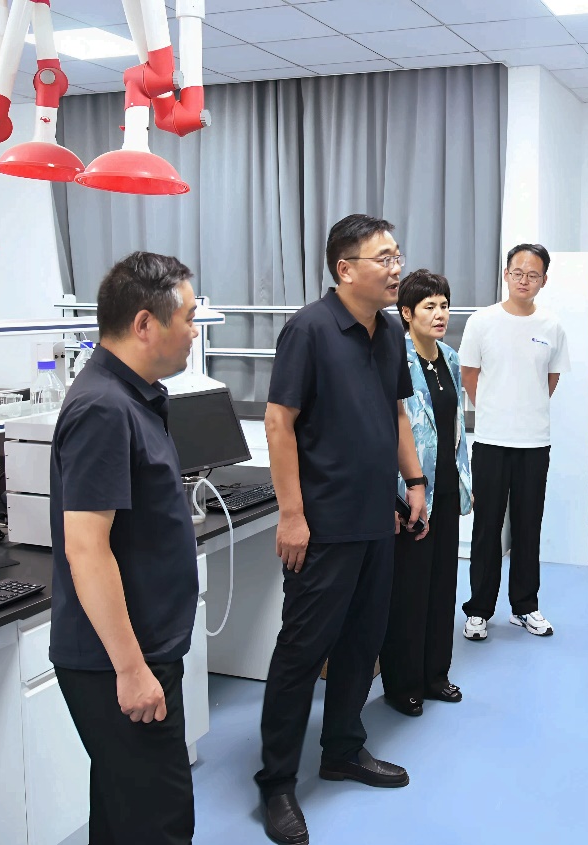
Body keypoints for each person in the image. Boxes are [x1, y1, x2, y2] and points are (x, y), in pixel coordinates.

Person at [255, 214, 428, 845]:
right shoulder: (309, 329)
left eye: (397, 255)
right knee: (302, 653)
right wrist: (292, 515)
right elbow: (279, 423)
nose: (395, 267)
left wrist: (414, 482)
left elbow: (396, 412)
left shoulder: (389, 330)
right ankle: (277, 782)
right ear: (345, 269)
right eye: (383, 258)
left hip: (376, 518)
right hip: (323, 526)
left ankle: (343, 749)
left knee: (362, 642)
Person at [49, 251, 201, 844]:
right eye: (188, 318)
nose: (195, 331)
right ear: (144, 324)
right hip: (120, 658)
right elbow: (86, 548)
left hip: (143, 647)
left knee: (124, 816)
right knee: (160, 823)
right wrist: (132, 669)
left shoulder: (136, 397)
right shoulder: (103, 408)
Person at [459, 243, 570, 641]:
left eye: (533, 274)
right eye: (518, 272)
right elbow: (469, 374)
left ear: (544, 280)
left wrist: (526, 409)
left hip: (535, 442)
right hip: (491, 440)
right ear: (506, 274)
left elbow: (550, 380)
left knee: (528, 526)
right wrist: (495, 410)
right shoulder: (482, 321)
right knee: (487, 528)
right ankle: (478, 610)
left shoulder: (552, 326)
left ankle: (525, 607)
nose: (524, 280)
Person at [378, 269, 473, 717]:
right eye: (429, 306)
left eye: (444, 305)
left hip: (447, 488)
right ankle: (403, 685)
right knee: (409, 592)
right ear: (406, 313)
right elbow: (389, 430)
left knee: (442, 586)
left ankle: (436, 675)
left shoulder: (449, 357)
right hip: (410, 493)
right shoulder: (394, 358)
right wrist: (396, 494)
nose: (440, 314)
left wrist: (464, 481)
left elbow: (455, 428)